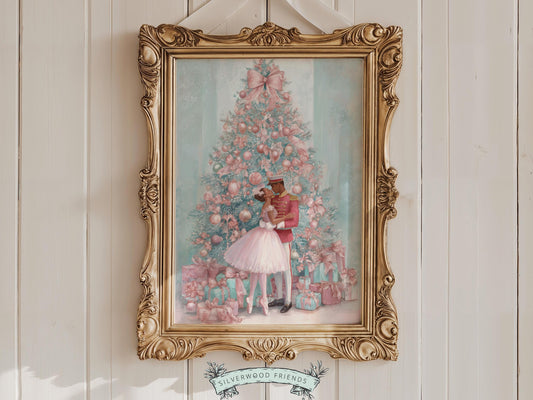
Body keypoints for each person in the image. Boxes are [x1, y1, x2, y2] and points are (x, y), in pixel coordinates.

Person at [224, 187, 294, 315]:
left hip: (264, 235)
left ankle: (251, 298)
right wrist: (287, 216)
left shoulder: (268, 204)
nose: (270, 191)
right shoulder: (268, 206)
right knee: (260, 268)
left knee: (257, 269)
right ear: (265, 196)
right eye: (267, 191)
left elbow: (268, 220)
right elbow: (273, 221)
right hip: (266, 237)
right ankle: (263, 299)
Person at [267, 175, 300, 313]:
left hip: (285, 238)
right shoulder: (273, 199)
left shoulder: (292, 199)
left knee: (286, 268)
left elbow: (295, 221)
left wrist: (280, 224)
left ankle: (288, 301)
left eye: (273, 186)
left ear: (280, 184)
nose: (272, 188)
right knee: (276, 268)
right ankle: (279, 297)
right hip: (273, 238)